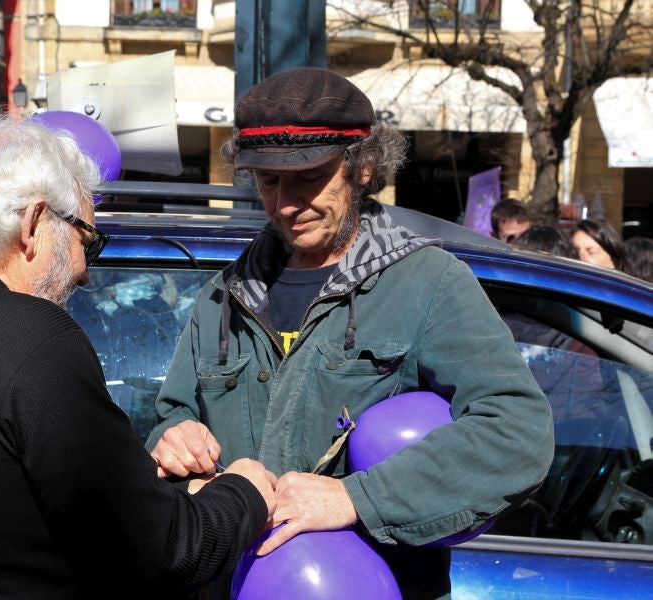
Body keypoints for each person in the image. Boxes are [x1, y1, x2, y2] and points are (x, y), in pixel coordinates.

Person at [145, 68, 554, 599]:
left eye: (308, 178)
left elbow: (517, 431)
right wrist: (174, 442)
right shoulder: (225, 293)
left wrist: (357, 499)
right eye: (268, 181)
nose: (286, 203)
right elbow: (171, 418)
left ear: (362, 167)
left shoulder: (428, 282)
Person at [0, 119, 277, 599]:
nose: (86, 274)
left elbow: (14, 513)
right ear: (32, 224)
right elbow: (165, 553)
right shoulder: (32, 335)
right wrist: (245, 489)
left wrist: (165, 494)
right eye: (89, 240)